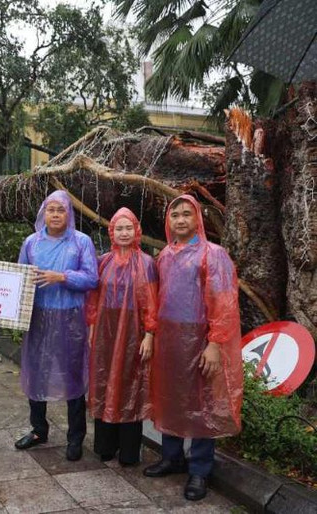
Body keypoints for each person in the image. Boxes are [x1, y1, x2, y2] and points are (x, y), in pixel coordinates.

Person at [143, 194, 243, 501]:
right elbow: (155, 299)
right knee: (170, 396)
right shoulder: (164, 257)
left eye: (187, 214)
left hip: (200, 338)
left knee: (202, 402)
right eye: (176, 215)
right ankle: (172, 457)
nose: (181, 220)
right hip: (170, 340)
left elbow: (224, 302)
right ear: (168, 221)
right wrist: (153, 334)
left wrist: (214, 344)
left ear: (197, 218)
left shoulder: (213, 255)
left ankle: (200, 469)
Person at [14, 190, 98, 461]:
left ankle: (76, 437)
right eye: (50, 209)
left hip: (71, 319)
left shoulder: (81, 242)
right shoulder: (31, 243)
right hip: (38, 317)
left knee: (72, 375)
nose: (55, 214)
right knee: (36, 371)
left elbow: (91, 279)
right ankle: (39, 429)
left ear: (69, 214)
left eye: (61, 210)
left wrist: (62, 276)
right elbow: (19, 278)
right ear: (43, 213)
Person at [86, 208, 157, 466]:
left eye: (128, 228)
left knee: (131, 384)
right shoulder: (103, 261)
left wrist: (150, 334)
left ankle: (128, 450)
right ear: (112, 232)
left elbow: (151, 301)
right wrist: (92, 325)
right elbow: (93, 297)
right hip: (106, 331)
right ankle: (105, 445)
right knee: (104, 381)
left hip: (133, 333)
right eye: (119, 228)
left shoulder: (147, 263)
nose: (124, 233)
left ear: (136, 230)